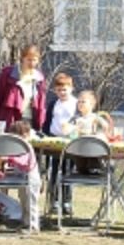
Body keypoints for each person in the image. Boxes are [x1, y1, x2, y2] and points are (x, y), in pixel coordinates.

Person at [0, 119, 41, 231]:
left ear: (25, 135)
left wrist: (9, 158)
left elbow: (24, 162)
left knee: (31, 203)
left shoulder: (26, 147)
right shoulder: (16, 147)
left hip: (32, 178)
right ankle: (26, 222)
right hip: (22, 178)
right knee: (23, 201)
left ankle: (34, 225)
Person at [0, 45, 47, 131]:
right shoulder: (8, 74)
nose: (32, 63)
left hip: (29, 122)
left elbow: (41, 104)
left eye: (34, 60)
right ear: (22, 58)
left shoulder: (39, 79)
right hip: (10, 120)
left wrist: (41, 124)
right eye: (29, 59)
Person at [42, 72, 79, 215]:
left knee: (68, 172)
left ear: (71, 88)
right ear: (55, 91)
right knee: (54, 172)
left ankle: (67, 201)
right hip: (54, 140)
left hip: (69, 141)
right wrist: (44, 135)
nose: (62, 92)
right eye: (59, 90)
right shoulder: (53, 104)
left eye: (65, 89)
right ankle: (54, 201)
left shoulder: (76, 104)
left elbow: (79, 121)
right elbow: (47, 122)